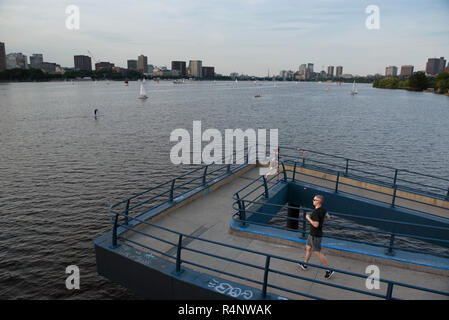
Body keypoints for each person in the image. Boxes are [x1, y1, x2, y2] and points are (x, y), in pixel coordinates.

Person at [298, 194, 334, 279]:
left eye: (314, 200)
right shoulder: (324, 210)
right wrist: (321, 219)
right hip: (312, 234)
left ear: (318, 202)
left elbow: (316, 224)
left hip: (315, 234)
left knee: (317, 252)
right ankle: (305, 264)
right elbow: (329, 218)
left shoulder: (315, 212)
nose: (313, 201)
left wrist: (308, 218)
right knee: (308, 247)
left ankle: (329, 270)